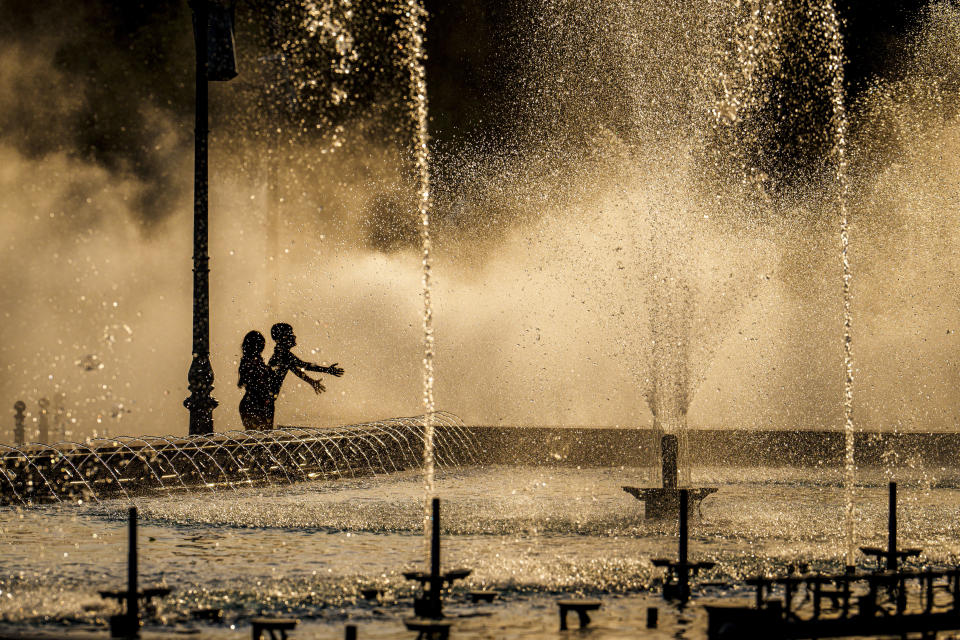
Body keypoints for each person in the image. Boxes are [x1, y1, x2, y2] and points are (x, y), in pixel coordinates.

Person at [268, 322, 344, 413]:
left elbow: (298, 371)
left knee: (262, 427)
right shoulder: (284, 355)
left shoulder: (282, 355)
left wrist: (312, 381)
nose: (294, 337)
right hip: (263, 401)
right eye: (291, 334)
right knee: (264, 426)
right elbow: (305, 366)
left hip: (263, 400)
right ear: (283, 338)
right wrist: (327, 370)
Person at [237, 330, 275, 430]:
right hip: (256, 405)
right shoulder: (254, 363)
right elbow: (258, 385)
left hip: (251, 404)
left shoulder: (248, 362)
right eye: (261, 344)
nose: (263, 347)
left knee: (255, 440)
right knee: (261, 439)